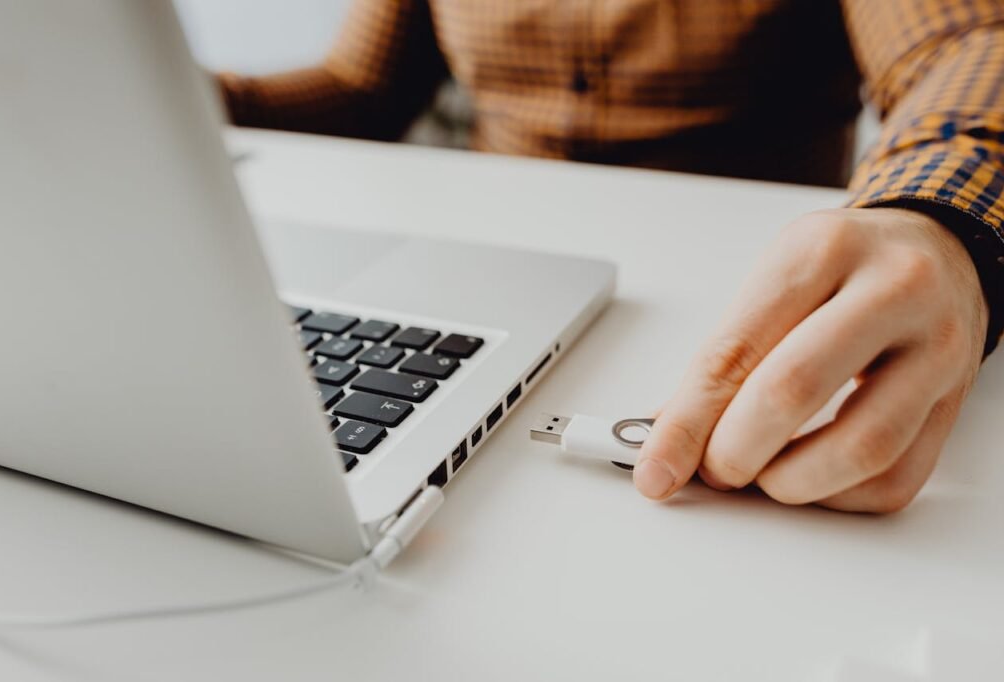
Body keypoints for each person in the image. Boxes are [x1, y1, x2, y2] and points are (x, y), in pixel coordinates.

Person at [219, 0, 1004, 513]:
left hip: (740, 319)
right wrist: (174, 96)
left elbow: (968, 44)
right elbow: (360, 87)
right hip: (481, 279)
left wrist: (932, 213)